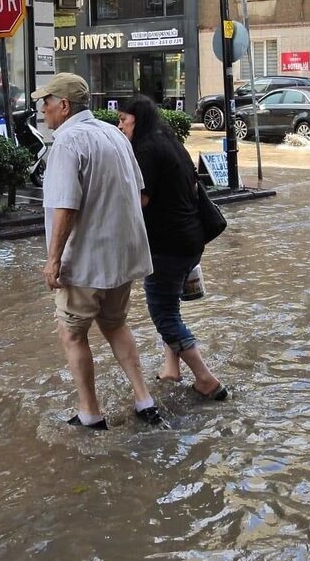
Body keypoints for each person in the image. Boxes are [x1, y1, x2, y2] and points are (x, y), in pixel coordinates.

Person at [33, 72, 164, 430]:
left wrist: (53, 260)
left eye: (46, 103)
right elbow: (138, 193)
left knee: (72, 333)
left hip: (87, 261)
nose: (42, 110)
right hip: (123, 257)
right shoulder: (113, 134)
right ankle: (145, 400)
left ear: (63, 106)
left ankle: (90, 413)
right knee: (115, 323)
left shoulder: (67, 143)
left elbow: (65, 206)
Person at [117, 96, 228, 401]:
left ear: (136, 120)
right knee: (171, 307)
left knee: (163, 314)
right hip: (191, 239)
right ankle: (171, 369)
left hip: (166, 245)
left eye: (123, 120)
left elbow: (141, 200)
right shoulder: (170, 141)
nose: (120, 126)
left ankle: (206, 379)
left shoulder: (146, 150)